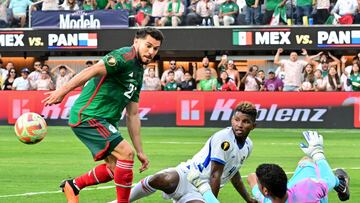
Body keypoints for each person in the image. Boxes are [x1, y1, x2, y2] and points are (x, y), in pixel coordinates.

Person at [42, 27, 164, 203]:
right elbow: (91, 70)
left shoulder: (138, 71)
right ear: (136, 41)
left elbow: (133, 114)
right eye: (148, 46)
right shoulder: (123, 57)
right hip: (89, 116)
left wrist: (140, 151)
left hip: (104, 120)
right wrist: (62, 91)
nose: (151, 51)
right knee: (125, 153)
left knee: (115, 169)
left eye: (156, 48)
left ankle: (73, 185)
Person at [114, 102, 258, 203]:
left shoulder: (248, 146)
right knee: (160, 179)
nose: (239, 124)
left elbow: (234, 172)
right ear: (232, 119)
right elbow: (215, 174)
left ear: (253, 126)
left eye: (245, 121)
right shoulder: (224, 139)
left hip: (202, 191)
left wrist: (248, 199)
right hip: (187, 174)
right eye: (237, 119)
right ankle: (121, 201)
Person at [247, 130, 350, 202]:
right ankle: (342, 184)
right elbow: (329, 179)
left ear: (265, 191)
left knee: (305, 161)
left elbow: (251, 178)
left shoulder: (265, 199)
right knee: (308, 161)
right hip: (305, 189)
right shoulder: (309, 187)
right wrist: (317, 153)